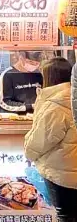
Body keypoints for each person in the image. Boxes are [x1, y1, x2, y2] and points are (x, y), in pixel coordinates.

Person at [24, 57, 77, 221]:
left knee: (66, 216)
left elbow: (39, 142)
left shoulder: (55, 104)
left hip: (62, 175)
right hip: (71, 171)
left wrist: (28, 153)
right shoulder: (71, 98)